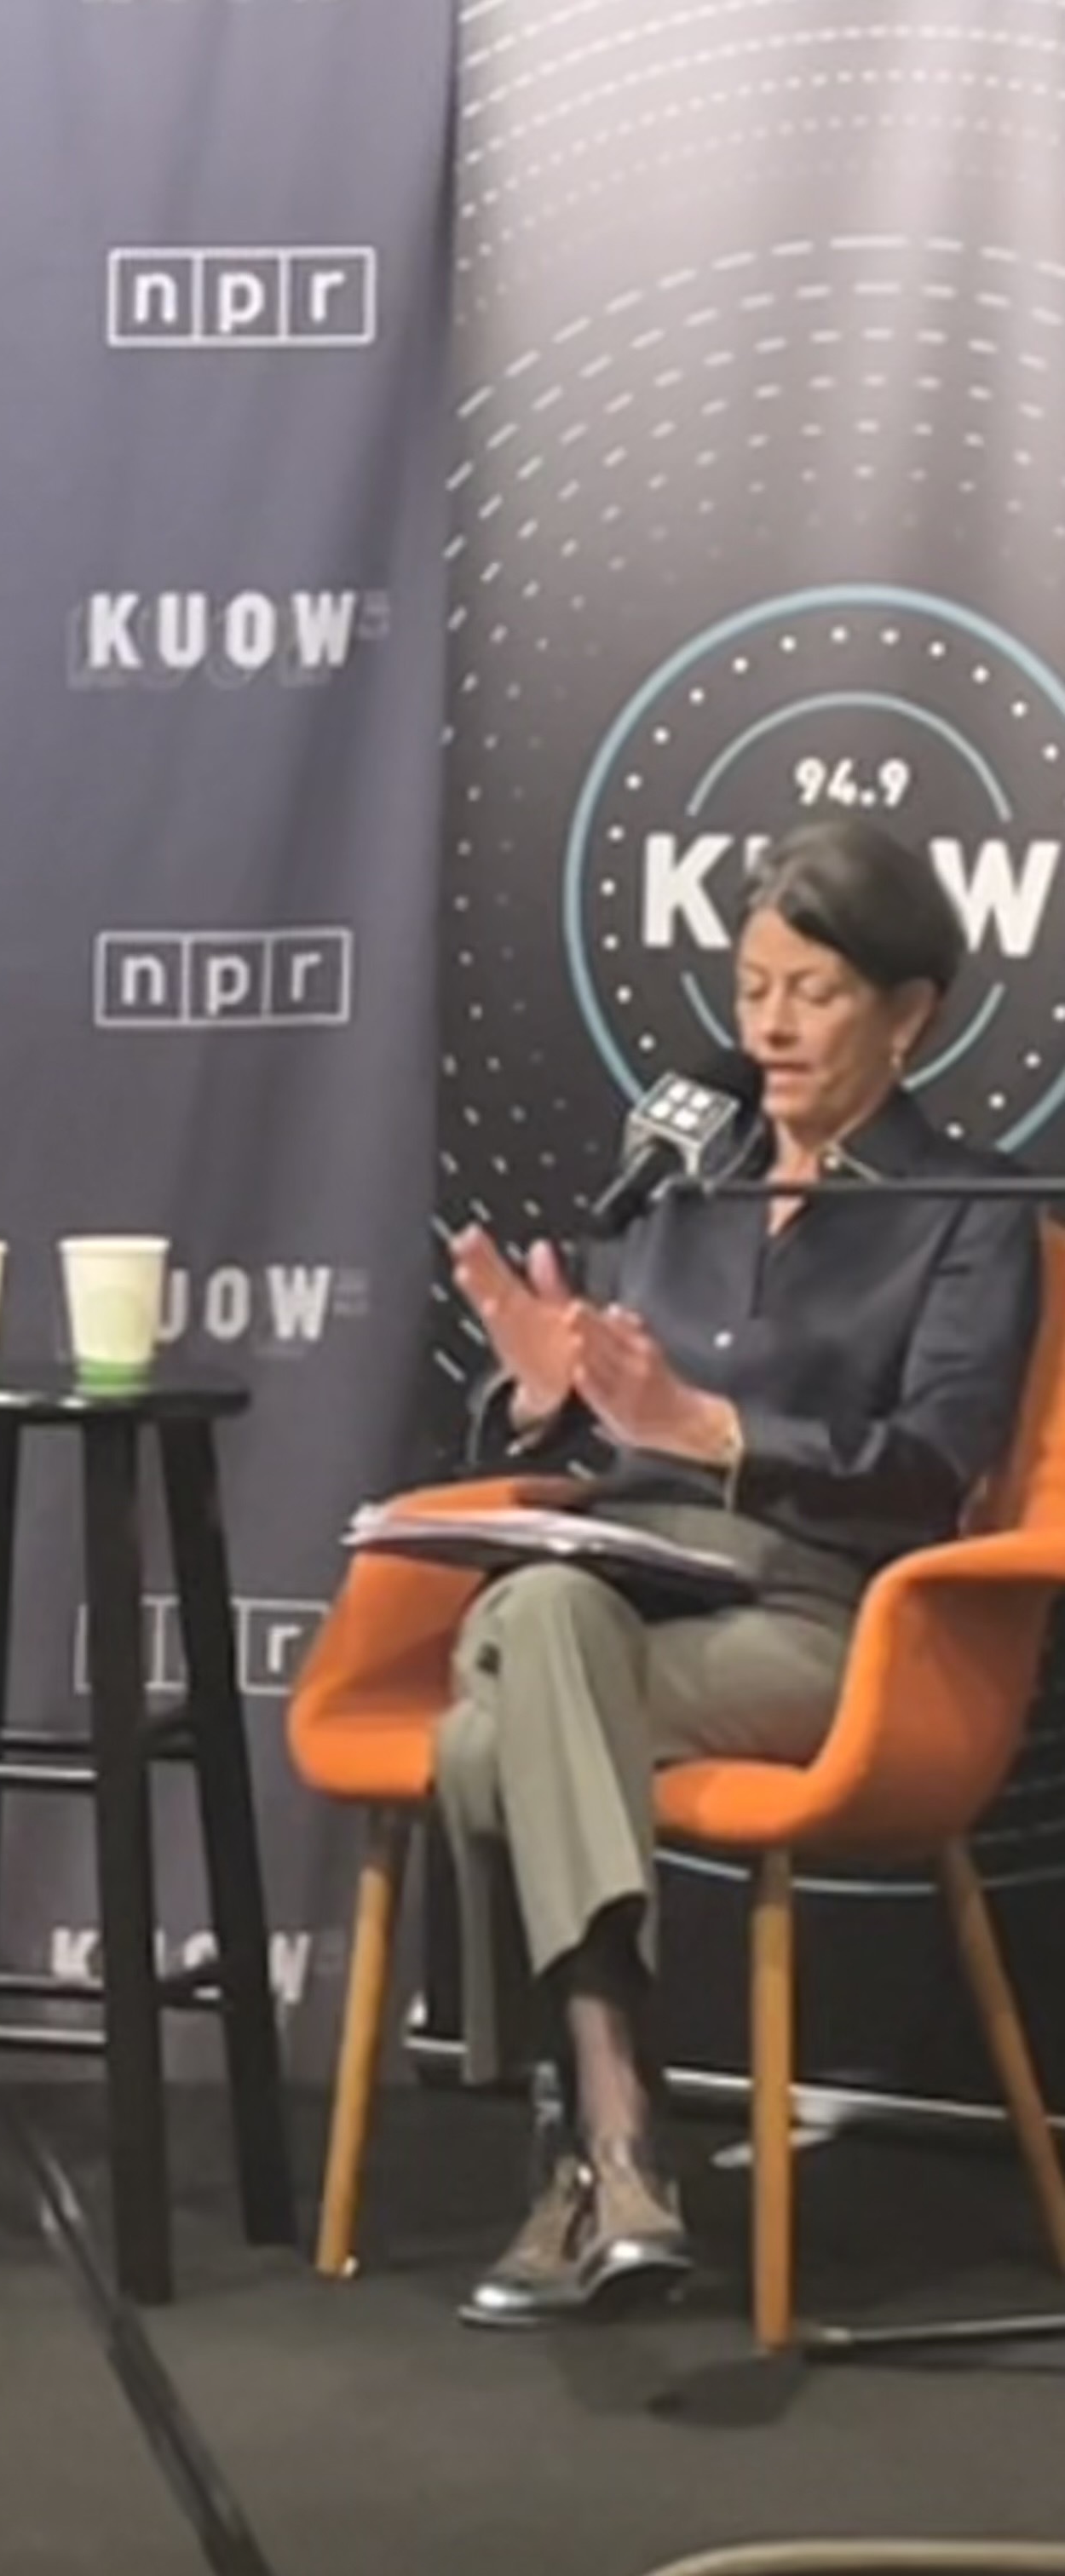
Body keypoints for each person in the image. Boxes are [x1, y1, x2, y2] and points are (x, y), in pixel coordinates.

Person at [438, 816, 1040, 2328]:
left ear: (910, 1014)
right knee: (545, 1606)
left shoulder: (963, 1212)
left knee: (488, 1722)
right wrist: (533, 1396)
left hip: (819, 1621)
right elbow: (569, 1430)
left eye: (813, 992)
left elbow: (935, 1467)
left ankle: (585, 2154)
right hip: (624, 1593)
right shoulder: (673, 1189)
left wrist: (713, 1433)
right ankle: (623, 2141)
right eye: (751, 983)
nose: (766, 1025)